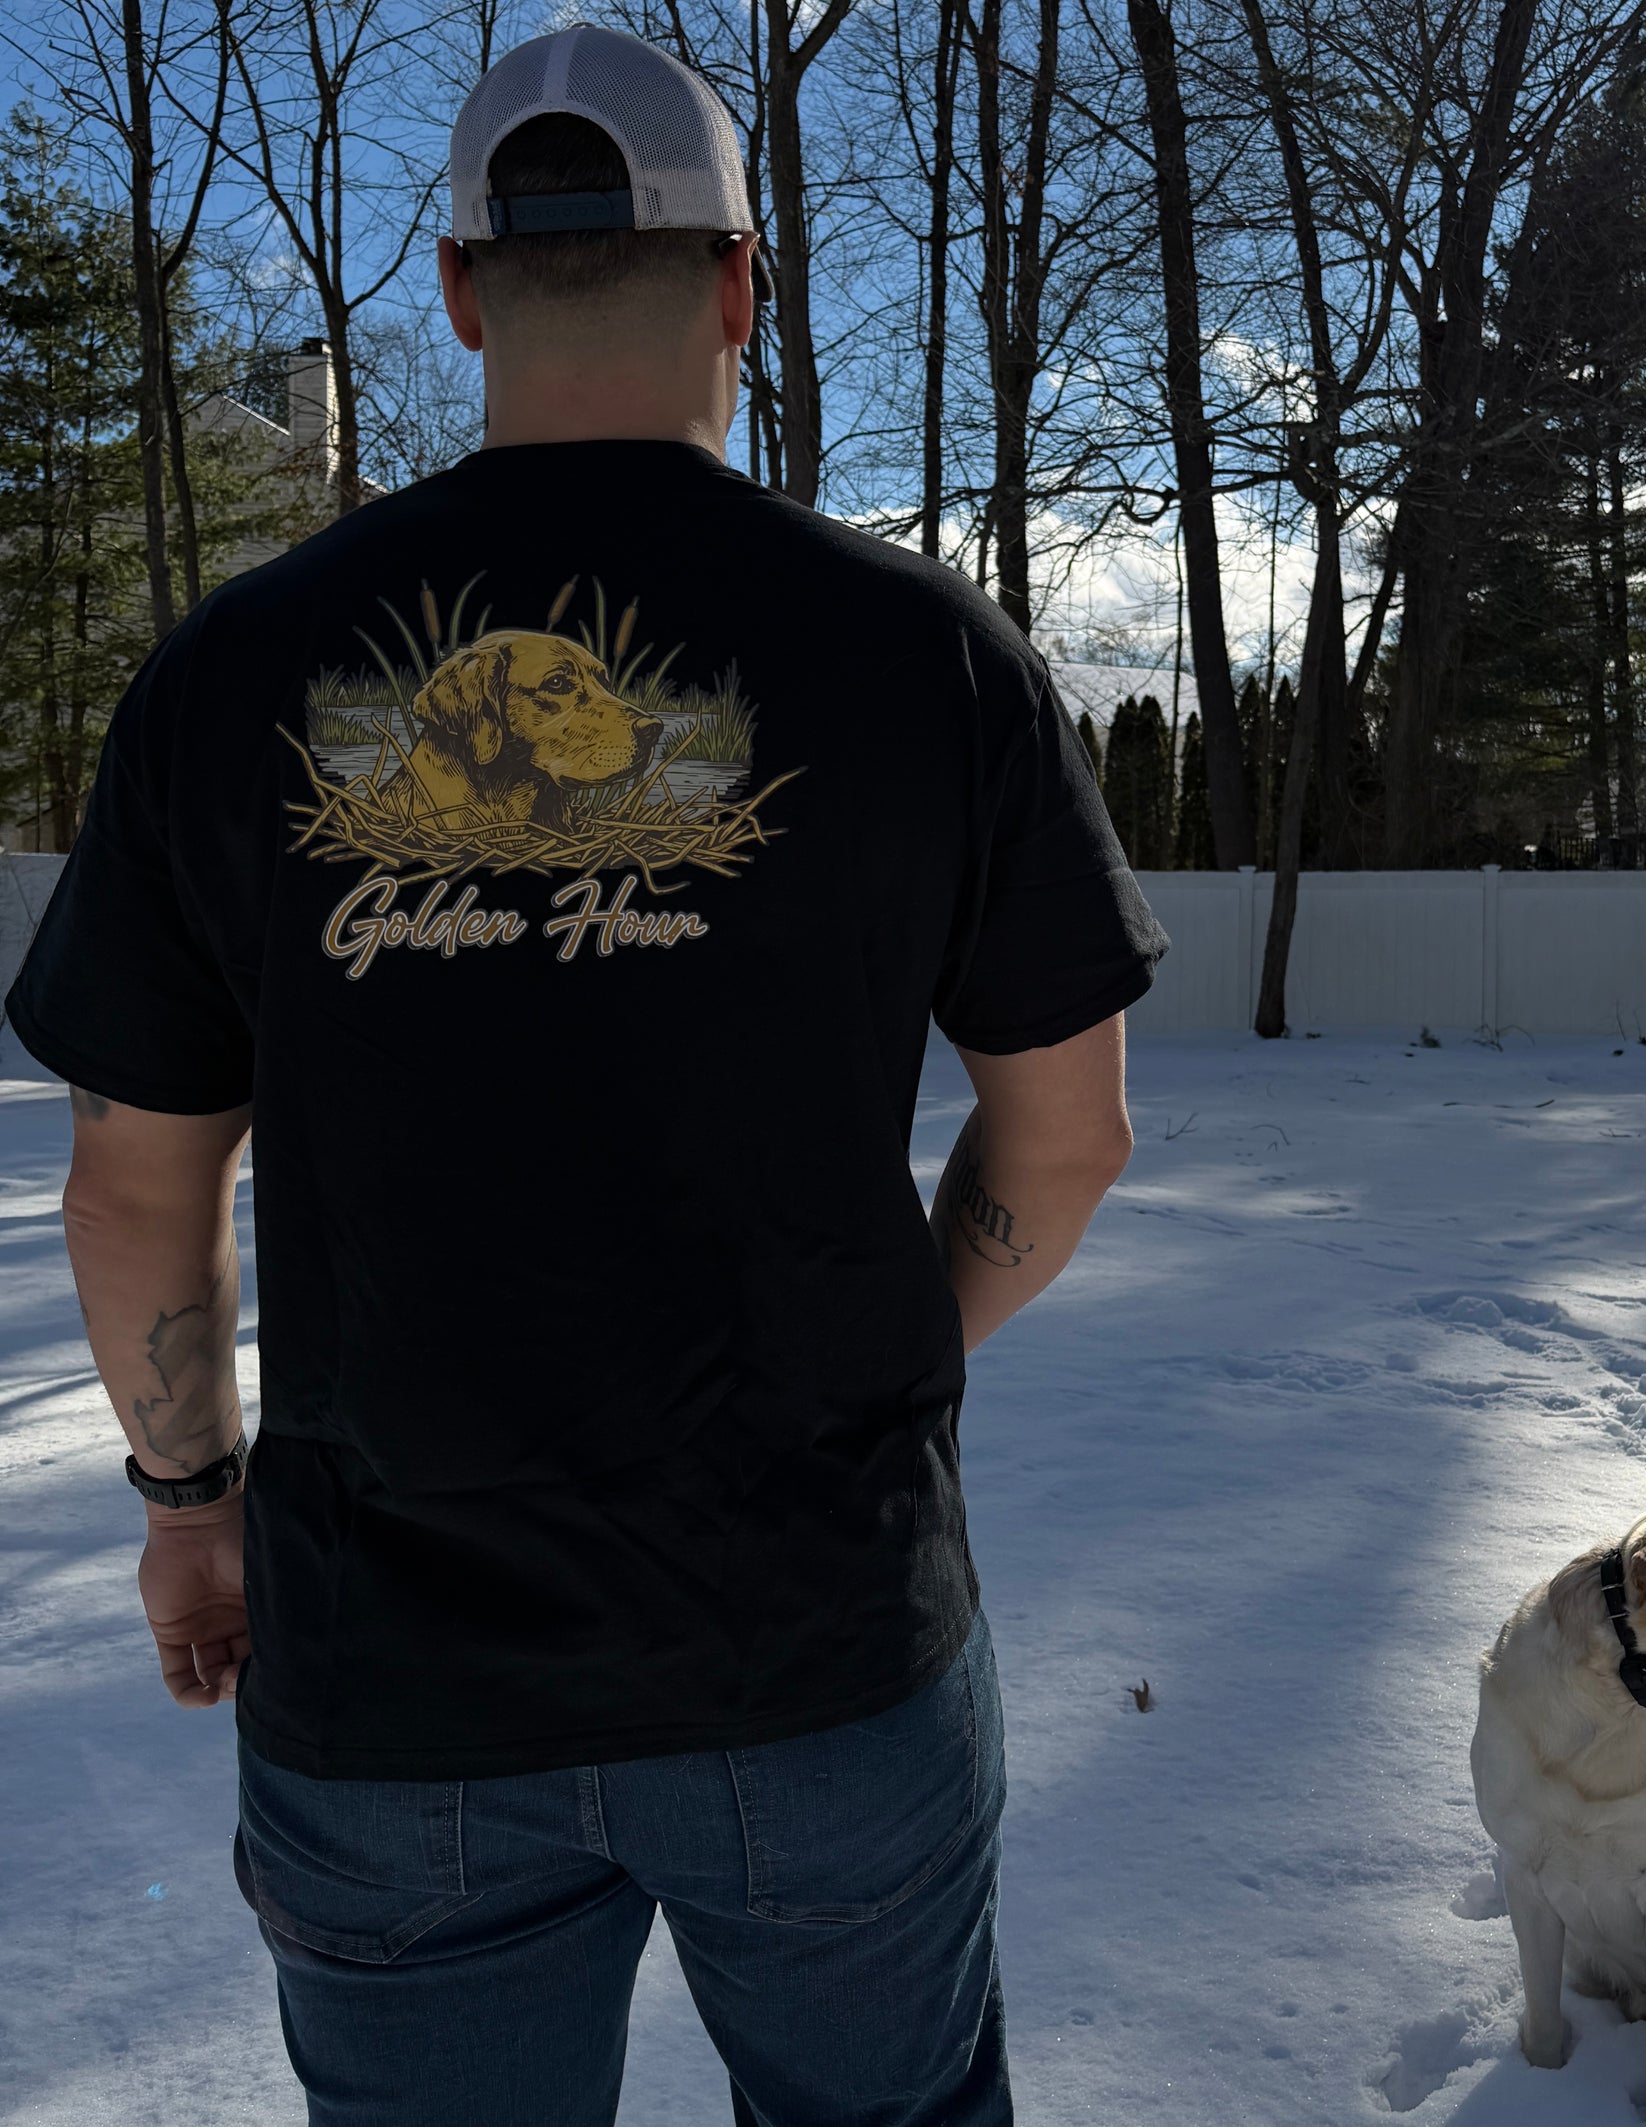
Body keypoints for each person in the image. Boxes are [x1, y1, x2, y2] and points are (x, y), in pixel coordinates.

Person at [3, 25, 1166, 2127]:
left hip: (390, 1686)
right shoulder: (928, 659)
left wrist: (191, 1507)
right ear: (744, 284)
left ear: (460, 291)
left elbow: (131, 1191)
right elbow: (1067, 1139)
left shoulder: (230, 677)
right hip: (822, 1647)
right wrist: (891, 1342)